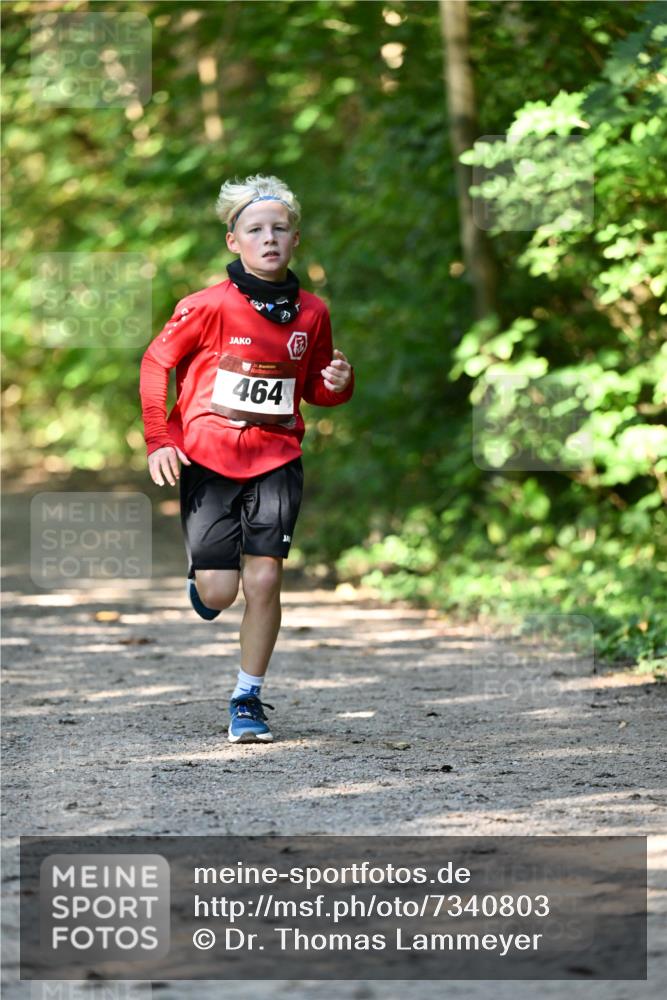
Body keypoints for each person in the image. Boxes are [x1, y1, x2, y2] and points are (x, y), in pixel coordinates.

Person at [139, 174, 354, 744]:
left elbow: (317, 389)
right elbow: (156, 364)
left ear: (295, 239)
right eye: (255, 229)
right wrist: (160, 438)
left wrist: (340, 382)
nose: (269, 239)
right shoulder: (207, 306)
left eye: (280, 229)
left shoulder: (312, 312)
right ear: (233, 241)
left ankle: (248, 697)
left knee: (264, 581)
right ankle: (205, 580)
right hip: (208, 457)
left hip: (277, 457)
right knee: (219, 593)